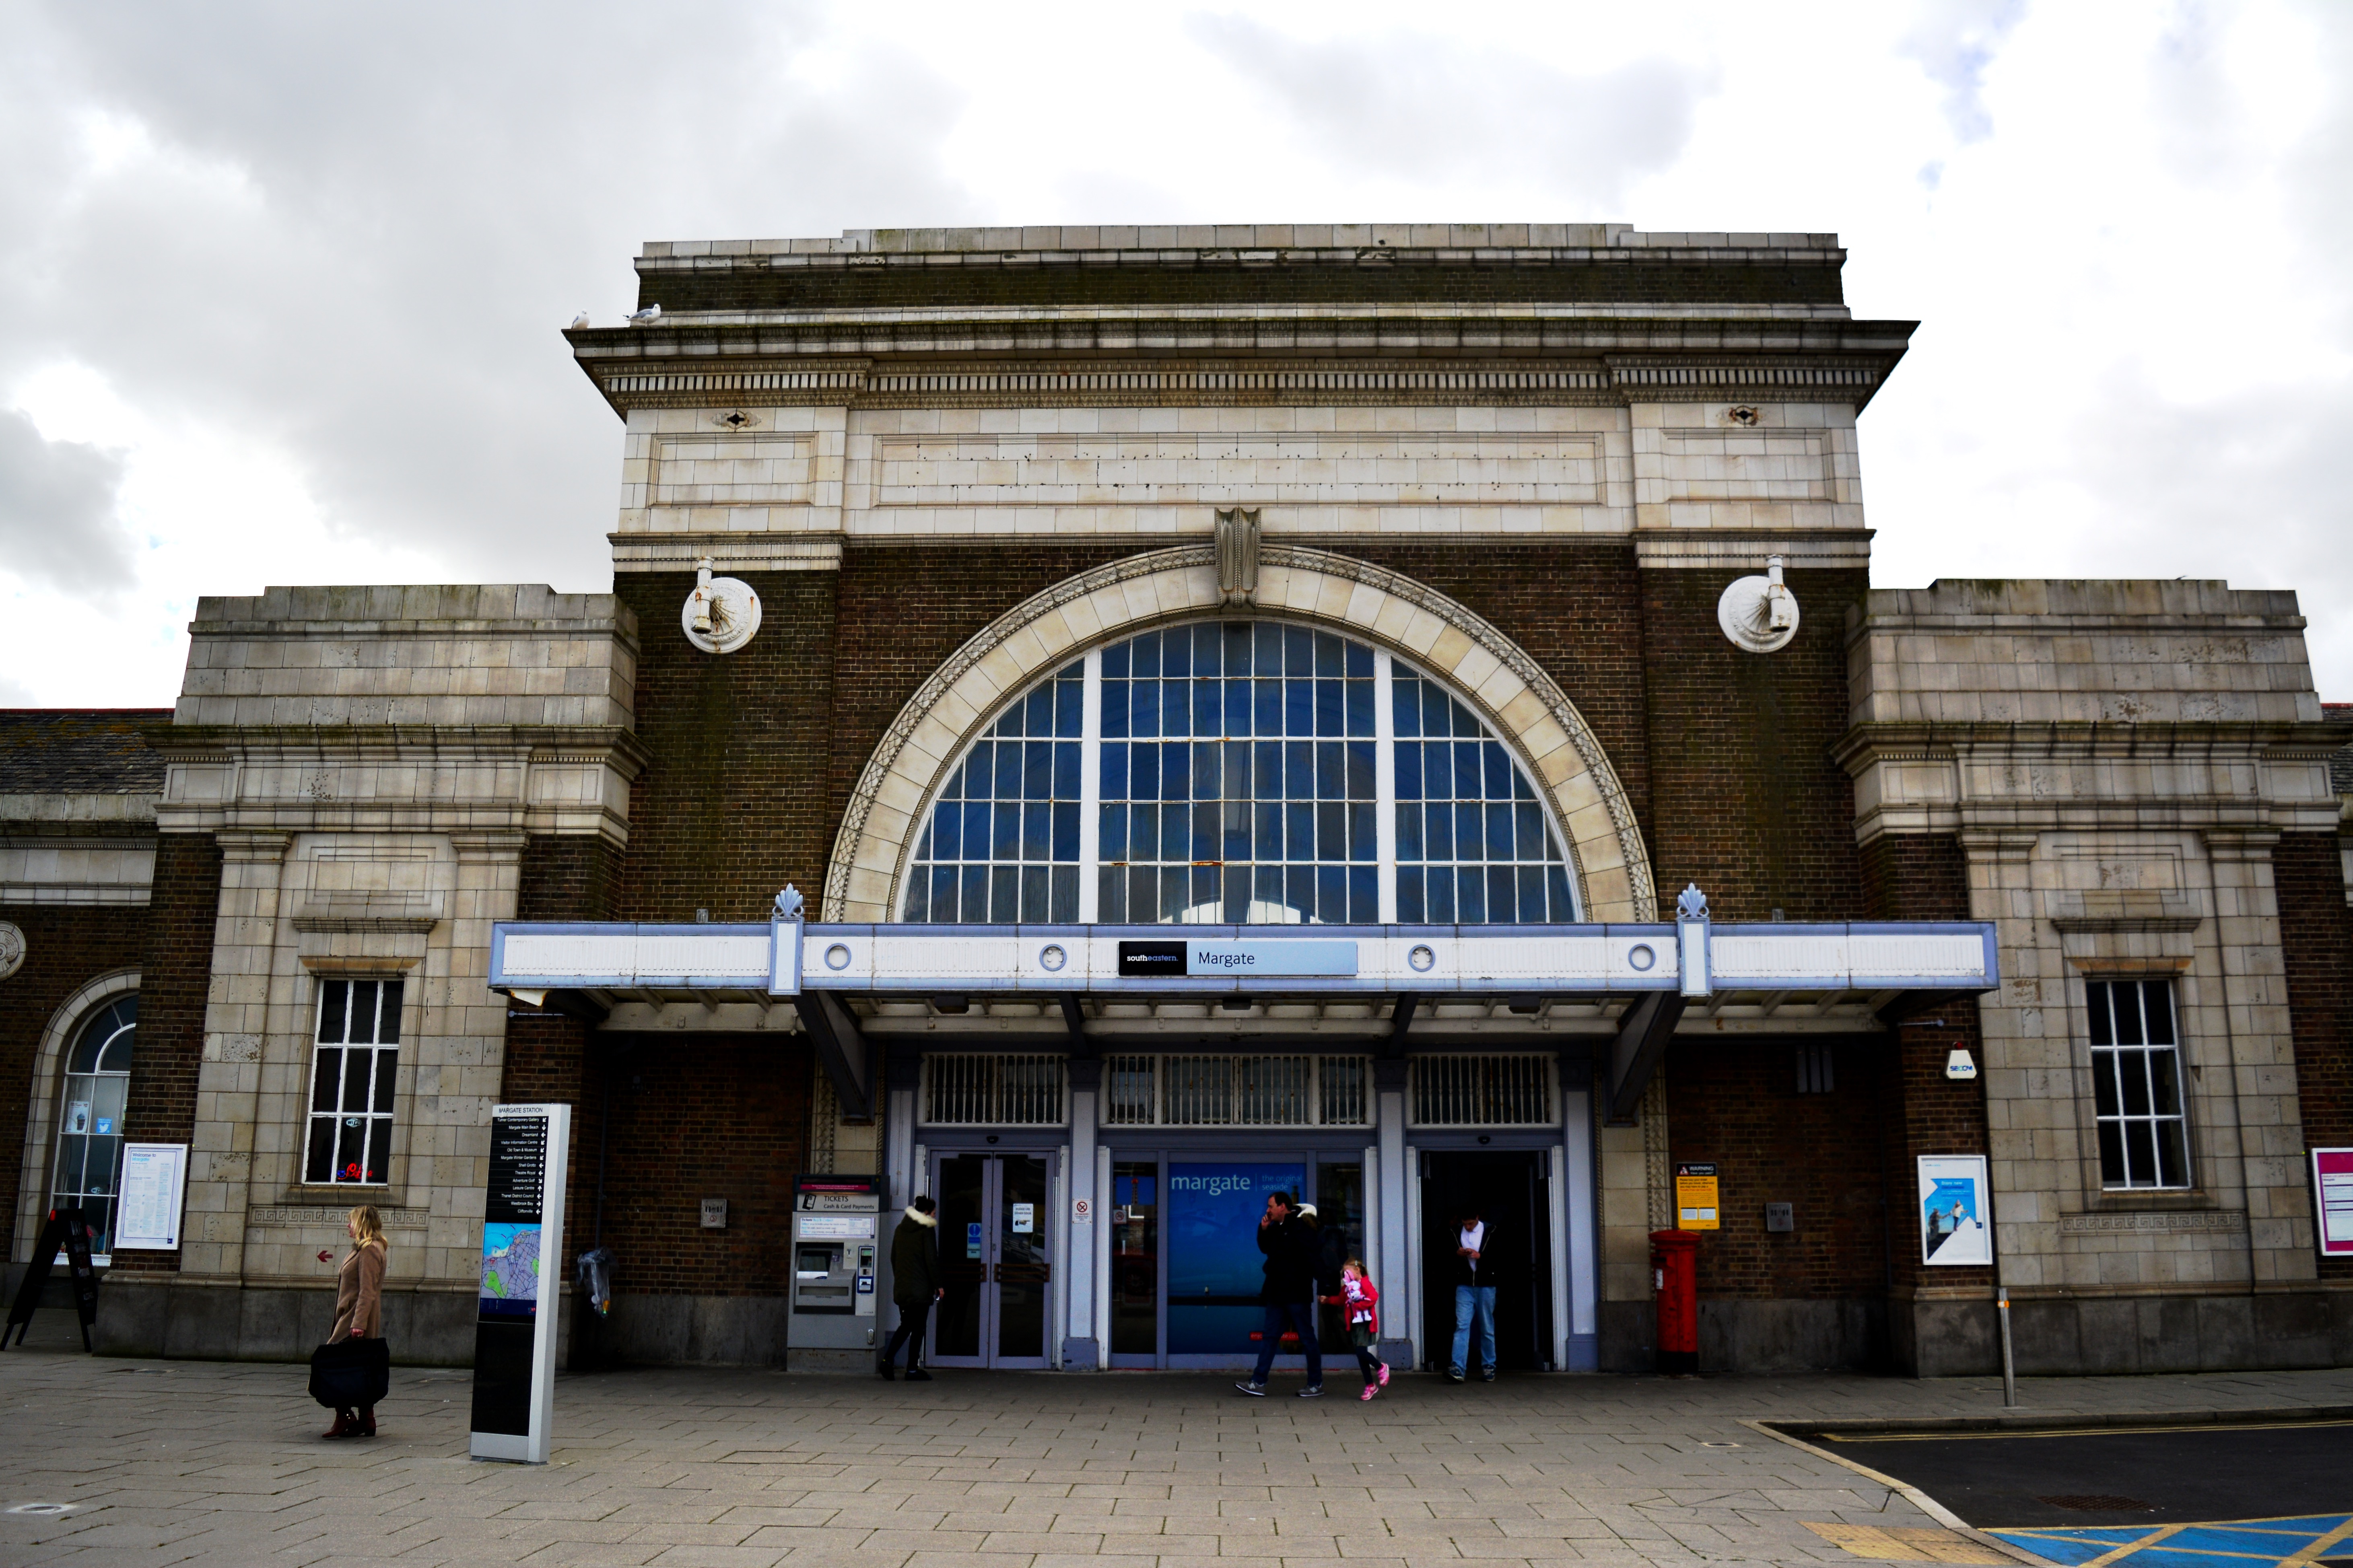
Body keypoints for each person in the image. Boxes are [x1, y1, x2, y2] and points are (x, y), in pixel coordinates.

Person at [1235, 1190, 1323, 1398]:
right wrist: (1264, 1229)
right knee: (1270, 1337)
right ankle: (1258, 1382)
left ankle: (1315, 1384)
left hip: (1296, 1294)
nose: (1268, 1210)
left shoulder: (1301, 1228)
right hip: (1277, 1294)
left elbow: (1313, 1259)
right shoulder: (1276, 1227)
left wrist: (1325, 1288)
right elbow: (1266, 1249)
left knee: (1307, 1338)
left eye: (1271, 1206)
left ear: (1283, 1206)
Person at [324, 1204, 387, 1439]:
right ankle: (366, 1419)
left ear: (362, 1224)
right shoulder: (364, 1248)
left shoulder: (370, 1249)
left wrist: (359, 1323)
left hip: (354, 1318)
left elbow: (367, 1290)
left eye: (351, 1221)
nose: (348, 1226)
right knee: (360, 1369)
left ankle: (345, 1416)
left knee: (335, 1365)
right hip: (351, 1315)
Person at [879, 1195, 941, 1381]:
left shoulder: (900, 1229)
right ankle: (896, 1364)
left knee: (910, 1325)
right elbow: (931, 1260)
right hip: (920, 1289)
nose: (934, 1216)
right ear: (926, 1213)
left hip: (903, 1288)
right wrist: (938, 1285)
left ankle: (906, 1367)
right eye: (934, 1213)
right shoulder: (926, 1230)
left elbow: (894, 1258)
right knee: (915, 1328)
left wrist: (902, 1279)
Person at [1324, 1258, 1387, 1400]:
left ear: (1357, 1270)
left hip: (1365, 1324)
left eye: (1347, 1272)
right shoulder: (1348, 1287)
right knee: (1361, 1355)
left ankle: (1381, 1368)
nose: (1345, 1276)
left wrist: (1357, 1305)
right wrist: (1328, 1300)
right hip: (1355, 1325)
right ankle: (1370, 1385)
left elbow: (1373, 1297)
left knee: (1361, 1352)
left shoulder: (1365, 1283)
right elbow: (1341, 1300)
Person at [1448, 1205, 1497, 1384]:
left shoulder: (1491, 1231)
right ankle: (1458, 1367)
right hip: (1464, 1284)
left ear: (1478, 1218)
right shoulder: (1455, 1232)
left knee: (1486, 1327)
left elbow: (1501, 1256)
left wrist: (1481, 1256)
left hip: (1486, 1285)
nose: (1467, 1227)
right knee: (1462, 1325)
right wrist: (1457, 1253)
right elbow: (1444, 1255)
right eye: (1465, 1224)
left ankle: (1489, 1366)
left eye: (1470, 1224)